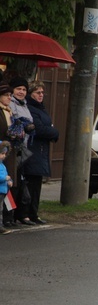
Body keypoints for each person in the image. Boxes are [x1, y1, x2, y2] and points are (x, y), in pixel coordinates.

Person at [24, 81, 59, 225]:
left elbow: (46, 126)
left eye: (42, 92)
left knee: (37, 183)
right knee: (30, 183)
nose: (41, 95)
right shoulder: (31, 108)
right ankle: (26, 213)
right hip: (33, 150)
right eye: (37, 92)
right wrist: (54, 132)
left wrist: (51, 131)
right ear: (31, 93)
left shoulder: (41, 108)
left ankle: (34, 213)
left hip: (41, 150)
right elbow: (39, 129)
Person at [8, 76, 37, 226]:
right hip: (13, 148)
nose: (21, 92)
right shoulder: (10, 104)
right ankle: (10, 216)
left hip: (24, 147)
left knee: (21, 182)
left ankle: (20, 214)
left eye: (24, 89)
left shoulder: (24, 104)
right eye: (18, 88)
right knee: (13, 182)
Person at [0, 81, 19, 227]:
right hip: (2, 148)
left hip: (9, 150)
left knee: (8, 182)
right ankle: (4, 218)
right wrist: (7, 134)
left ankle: (8, 216)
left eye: (10, 95)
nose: (9, 98)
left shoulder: (9, 111)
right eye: (6, 95)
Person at [0, 140, 13, 234]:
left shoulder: (3, 166)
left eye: (5, 154)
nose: (4, 156)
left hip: (3, 191)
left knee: (1, 209)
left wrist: (9, 181)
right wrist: (5, 178)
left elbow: (6, 175)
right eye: (1, 153)